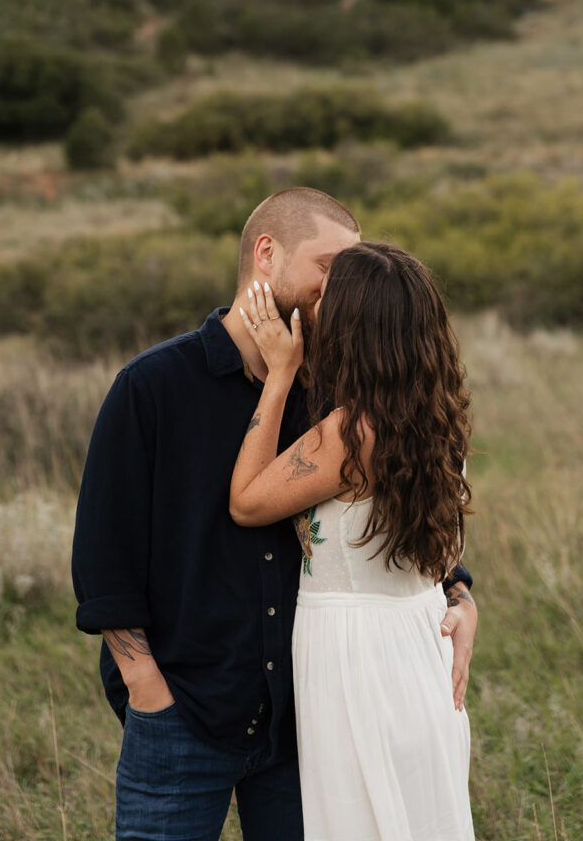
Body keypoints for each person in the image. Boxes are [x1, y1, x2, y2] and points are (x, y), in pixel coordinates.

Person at [72, 189, 477, 841]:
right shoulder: (153, 387)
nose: (340, 288)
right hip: (182, 709)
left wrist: (457, 591)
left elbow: (394, 509)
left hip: (306, 716)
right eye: (328, 267)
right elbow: (104, 557)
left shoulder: (339, 393)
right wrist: (146, 687)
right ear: (267, 254)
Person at [230, 241, 476, 841]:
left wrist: (280, 374)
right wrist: (464, 599)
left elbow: (246, 501)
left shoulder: (350, 431)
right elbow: (437, 557)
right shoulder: (442, 417)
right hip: (419, 645)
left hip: (355, 657)